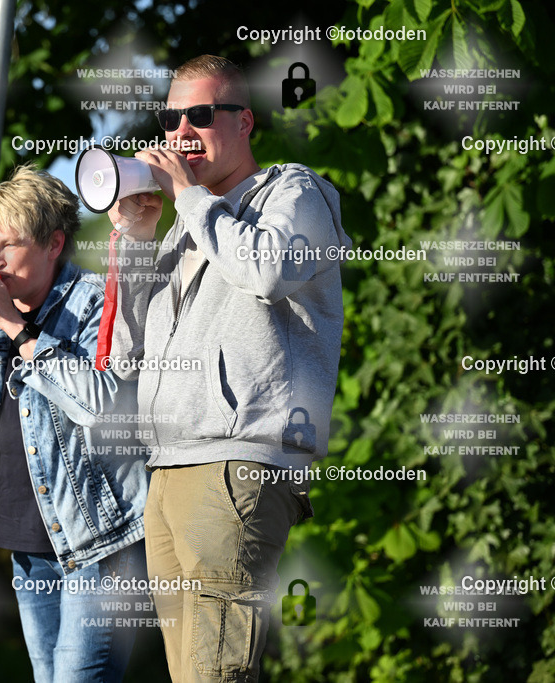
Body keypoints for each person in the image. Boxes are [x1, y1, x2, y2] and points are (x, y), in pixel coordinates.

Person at [106, 55, 351, 682]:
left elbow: (269, 271)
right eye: (170, 119)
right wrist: (136, 241)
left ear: (244, 122)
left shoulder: (292, 192)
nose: (181, 132)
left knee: (218, 673)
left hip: (235, 468)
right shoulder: (187, 229)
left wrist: (190, 199)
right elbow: (126, 352)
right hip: (168, 470)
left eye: (199, 115)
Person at [0, 165, 149, 682]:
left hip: (101, 543)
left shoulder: (95, 301)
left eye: (9, 245)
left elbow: (102, 404)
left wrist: (18, 331)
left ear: (53, 244)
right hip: (27, 543)